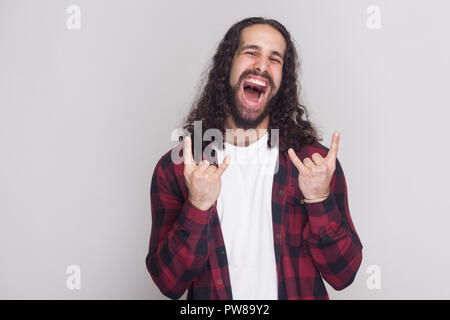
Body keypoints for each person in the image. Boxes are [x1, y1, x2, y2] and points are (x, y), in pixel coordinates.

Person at [146, 17, 363, 300]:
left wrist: (319, 199)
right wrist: (197, 205)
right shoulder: (179, 168)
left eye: (275, 58)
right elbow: (168, 283)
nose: (262, 65)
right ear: (228, 65)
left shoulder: (314, 164)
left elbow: (343, 274)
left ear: (283, 80)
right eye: (251, 52)